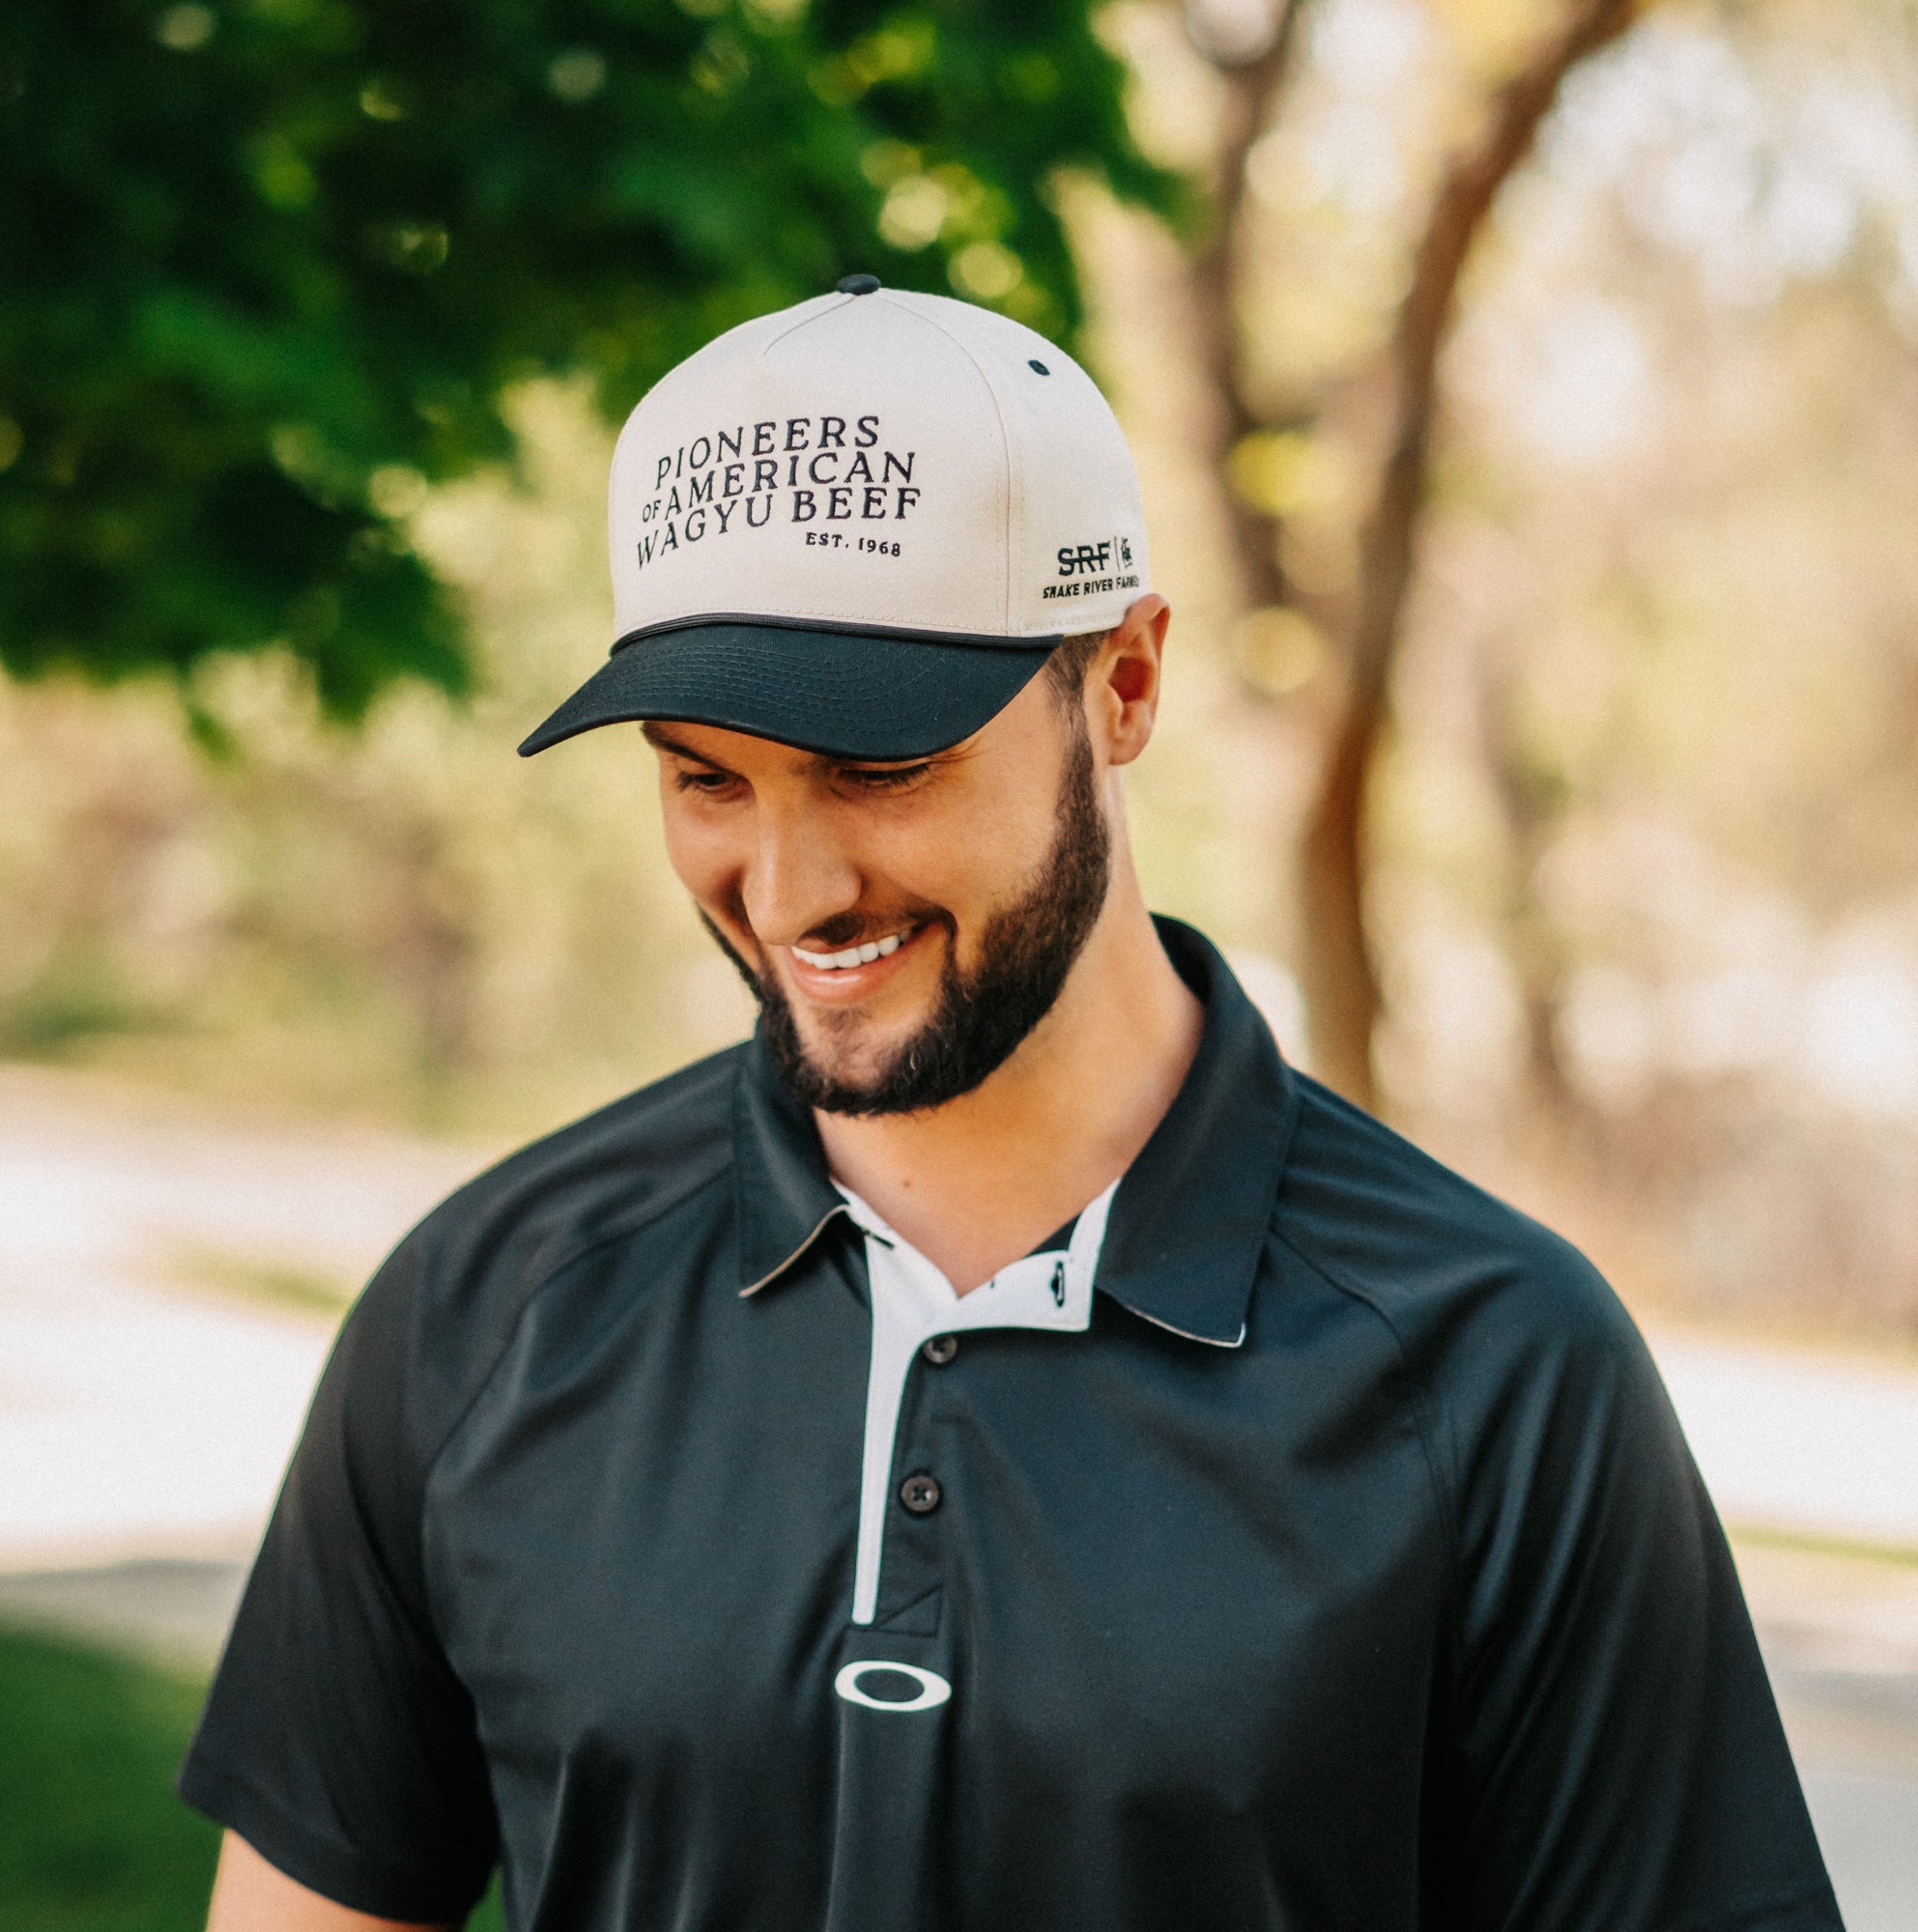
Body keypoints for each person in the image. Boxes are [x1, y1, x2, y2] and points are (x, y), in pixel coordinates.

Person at [182, 280, 1841, 1932]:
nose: (791, 890)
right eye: (706, 777)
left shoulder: (1495, 1366)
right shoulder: (483, 1310)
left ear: (1122, 685)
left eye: (880, 767)